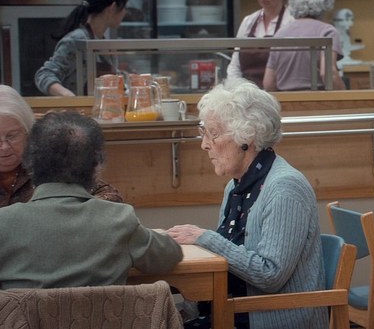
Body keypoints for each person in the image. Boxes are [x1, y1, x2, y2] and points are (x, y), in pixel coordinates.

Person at [167, 79, 327, 329]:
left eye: (213, 133)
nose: (204, 144)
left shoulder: (284, 187)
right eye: (204, 132)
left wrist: (205, 238)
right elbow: (226, 261)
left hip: (270, 319)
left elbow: (271, 275)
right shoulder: (236, 186)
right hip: (235, 310)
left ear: (247, 136)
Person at [0, 111, 182, 289]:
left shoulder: (4, 222)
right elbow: (169, 255)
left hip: (22, 311)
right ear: (97, 166)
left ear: (29, 163)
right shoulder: (118, 219)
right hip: (105, 311)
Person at [0, 84, 123, 207]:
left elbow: (109, 197)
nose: (4, 147)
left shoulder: (46, 162)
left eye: (12, 136)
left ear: (27, 132)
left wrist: (69, 213)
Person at [34, 0, 128, 96]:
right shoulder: (77, 40)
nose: (125, 12)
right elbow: (44, 74)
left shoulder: (103, 44)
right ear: (112, 8)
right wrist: (69, 97)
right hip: (79, 108)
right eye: (124, 7)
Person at [263, 0, 346, 91]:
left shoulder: (280, 34)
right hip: (317, 99)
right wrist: (347, 96)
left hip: (285, 100)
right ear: (327, 2)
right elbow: (328, 74)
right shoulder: (327, 32)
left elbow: (268, 83)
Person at [227, 0, 296, 85]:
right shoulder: (248, 22)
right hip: (247, 92)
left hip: (279, 92)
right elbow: (235, 66)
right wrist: (237, 89)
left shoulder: (292, 22)